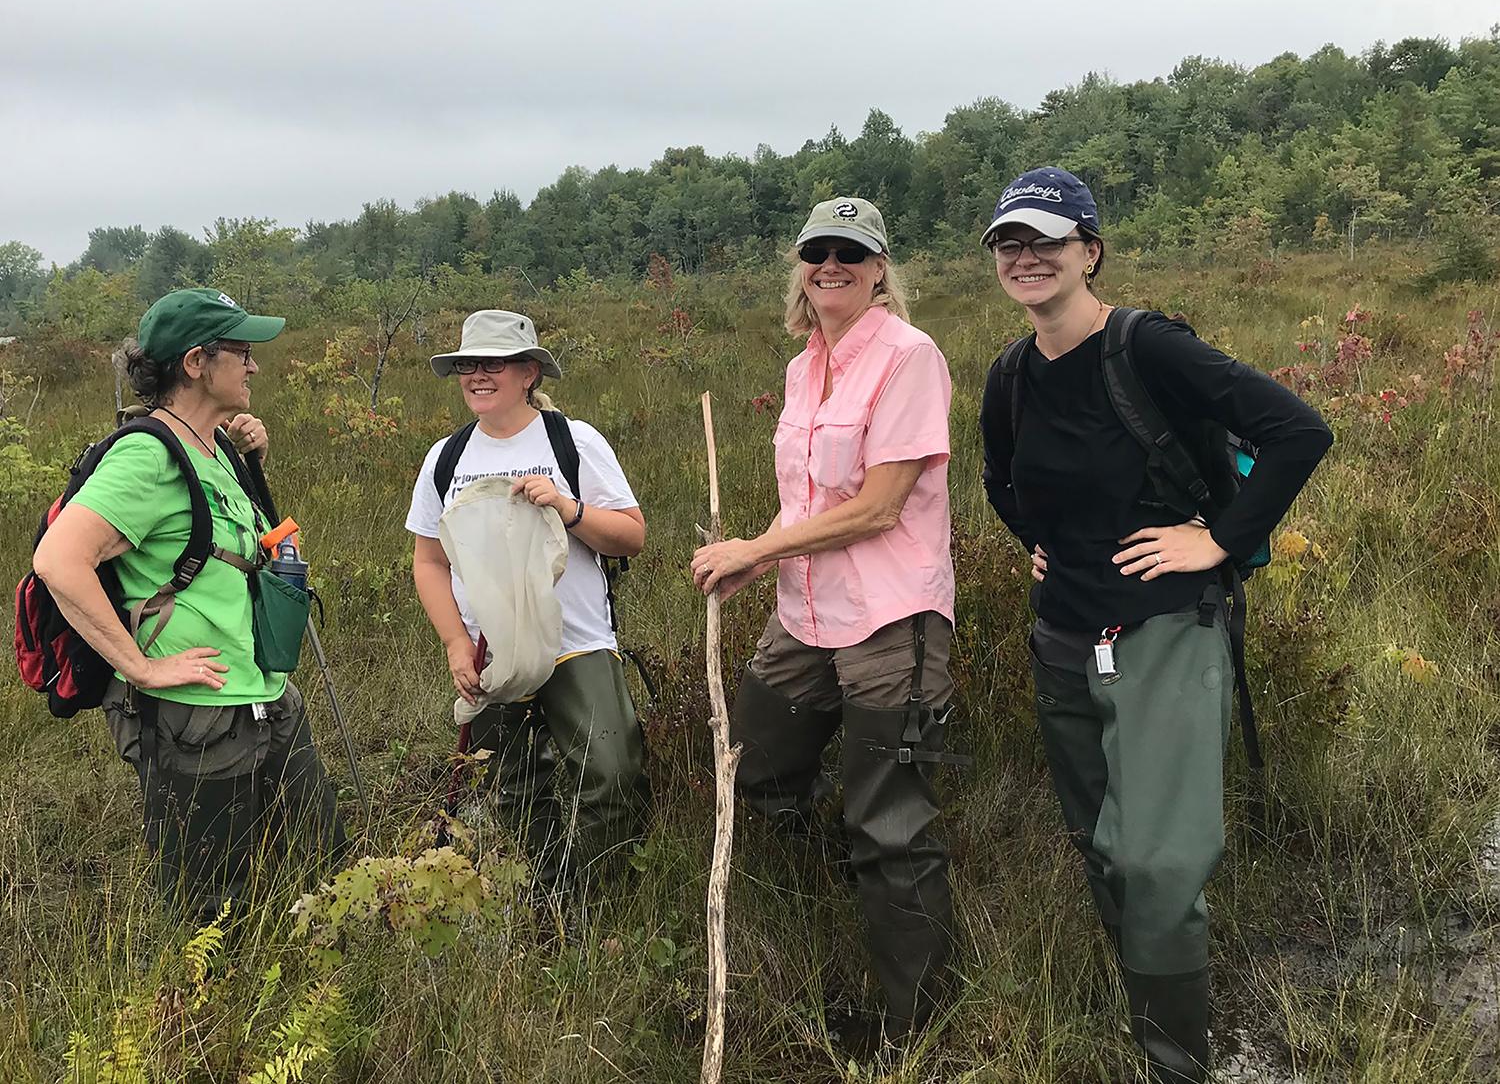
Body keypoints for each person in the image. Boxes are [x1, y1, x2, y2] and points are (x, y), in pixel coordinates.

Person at [977, 168, 1333, 1081]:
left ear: (1089, 251)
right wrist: (1039, 543)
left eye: (1047, 241)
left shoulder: (1148, 348)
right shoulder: (1010, 373)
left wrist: (1216, 537)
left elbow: (1298, 431)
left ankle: (1177, 1065)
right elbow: (1001, 482)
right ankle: (1148, 1023)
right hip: (1061, 640)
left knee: (1160, 864)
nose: (1027, 257)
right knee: (1103, 849)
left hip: (1165, 633)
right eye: (1011, 244)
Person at [692, 197, 961, 1047]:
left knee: (889, 818)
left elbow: (881, 507)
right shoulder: (806, 364)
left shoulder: (909, 357)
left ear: (881, 267)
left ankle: (912, 1026)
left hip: (890, 616)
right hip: (805, 614)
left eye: (851, 251)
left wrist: (753, 550)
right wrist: (758, 560)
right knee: (757, 766)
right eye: (818, 251)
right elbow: (807, 497)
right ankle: (833, 909)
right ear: (801, 267)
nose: (831, 265)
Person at [32, 288, 347, 917]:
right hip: (193, 716)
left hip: (263, 693)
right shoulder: (147, 456)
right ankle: (210, 1016)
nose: (254, 365)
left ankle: (325, 991)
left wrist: (252, 457)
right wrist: (142, 668)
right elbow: (59, 561)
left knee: (321, 860)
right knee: (211, 907)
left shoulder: (215, 446)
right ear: (197, 362)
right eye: (242, 351)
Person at [406, 310, 649, 891]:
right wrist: (456, 644)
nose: (477, 376)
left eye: (493, 363)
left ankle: (596, 898)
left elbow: (633, 535)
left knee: (610, 773)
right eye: (467, 365)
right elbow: (429, 561)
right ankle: (540, 898)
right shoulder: (446, 459)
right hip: (492, 652)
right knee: (510, 786)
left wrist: (571, 510)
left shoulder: (573, 441)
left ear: (529, 373)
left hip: (576, 642)